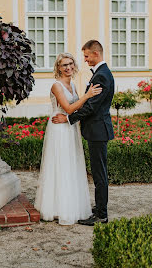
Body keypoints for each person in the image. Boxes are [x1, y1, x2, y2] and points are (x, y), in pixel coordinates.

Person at [34, 52, 102, 225]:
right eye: (64, 64)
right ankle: (58, 207)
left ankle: (72, 204)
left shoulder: (72, 84)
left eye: (71, 63)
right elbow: (69, 108)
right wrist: (87, 96)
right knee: (60, 165)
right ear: (58, 67)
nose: (69, 67)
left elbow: (76, 110)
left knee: (71, 164)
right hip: (59, 129)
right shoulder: (57, 86)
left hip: (70, 128)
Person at [52, 40, 114, 226]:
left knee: (99, 173)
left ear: (96, 54)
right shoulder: (101, 74)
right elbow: (87, 104)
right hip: (96, 130)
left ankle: (101, 214)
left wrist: (69, 119)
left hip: (98, 130)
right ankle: (100, 207)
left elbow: (92, 107)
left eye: (87, 56)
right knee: (97, 172)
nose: (85, 60)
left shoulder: (101, 76)